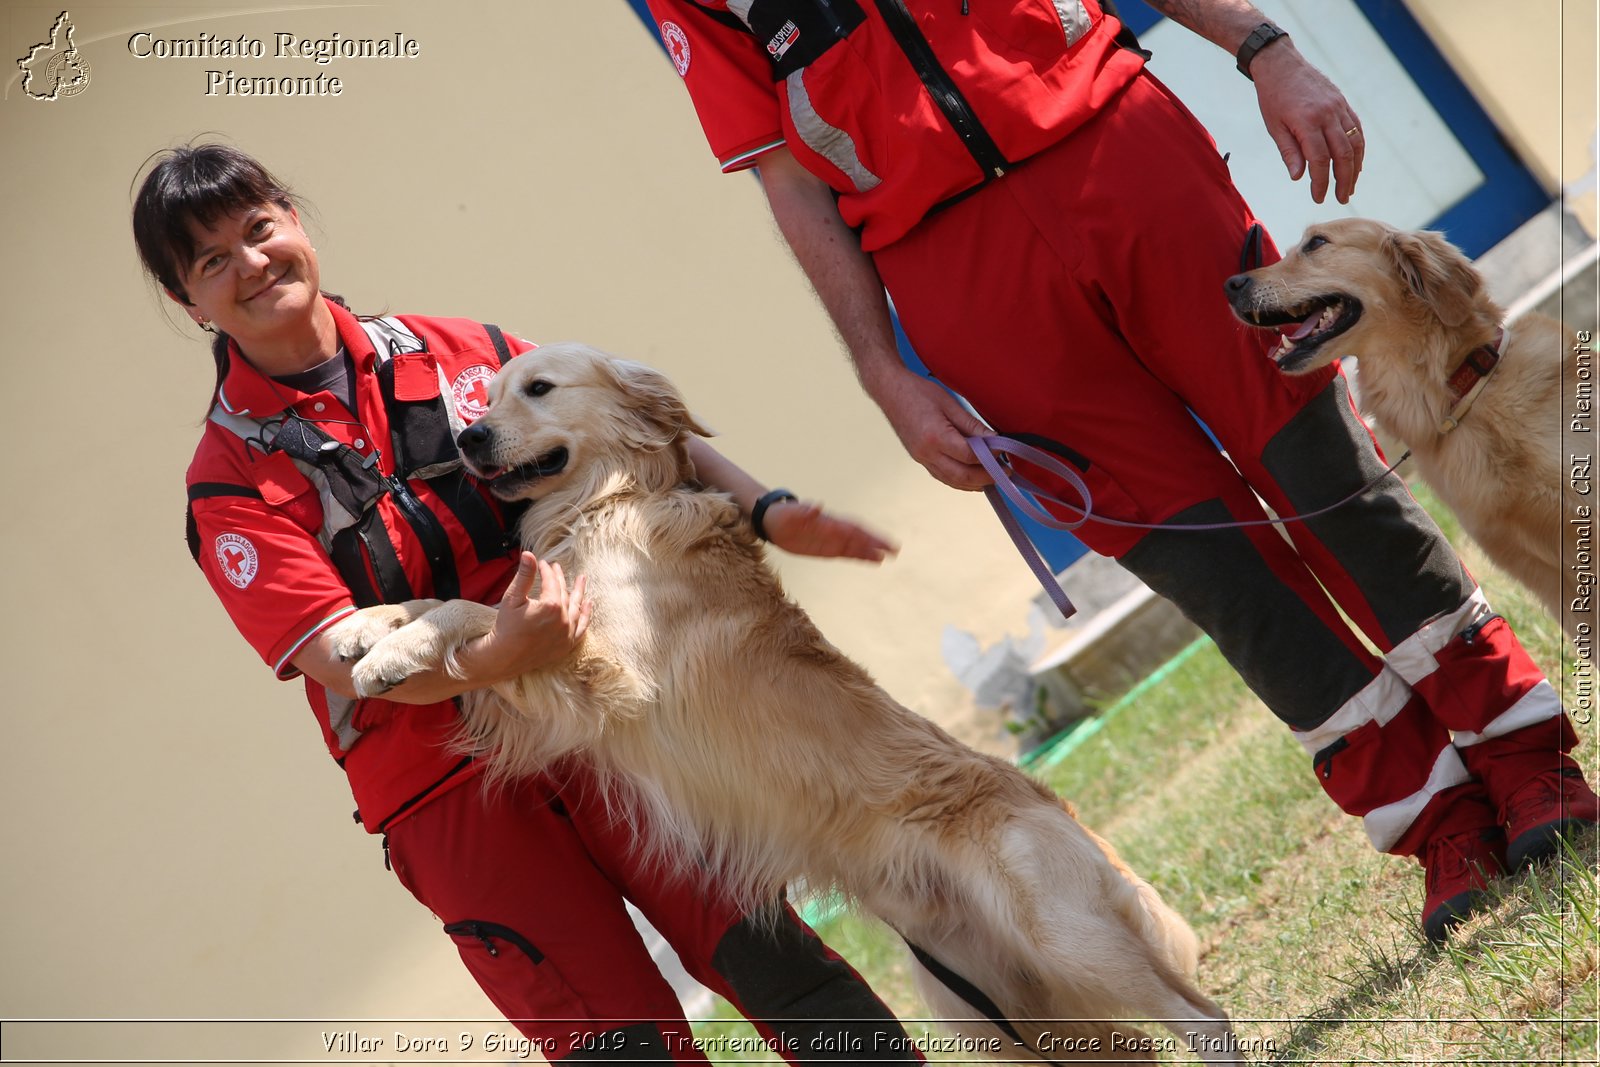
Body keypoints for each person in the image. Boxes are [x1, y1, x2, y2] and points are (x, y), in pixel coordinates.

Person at [643, 0, 1599, 942]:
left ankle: (1525, 758)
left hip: (1121, 150)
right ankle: (1434, 821)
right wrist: (883, 370)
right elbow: (789, 179)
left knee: (1324, 475)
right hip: (953, 266)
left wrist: (1263, 47)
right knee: (1213, 573)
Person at [133, 143, 924, 1063]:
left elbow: (620, 422)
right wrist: (494, 656)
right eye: (211, 261)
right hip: (449, 791)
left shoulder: (461, 350)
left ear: (295, 221)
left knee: (786, 971)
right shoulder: (225, 484)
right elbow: (347, 658)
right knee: (620, 1048)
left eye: (258, 228)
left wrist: (767, 509)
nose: (253, 264)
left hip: (605, 712)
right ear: (189, 303)